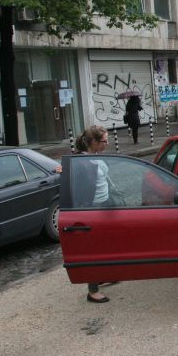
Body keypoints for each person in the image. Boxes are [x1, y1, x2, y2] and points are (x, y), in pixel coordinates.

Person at [74, 125, 114, 304]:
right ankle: (93, 291)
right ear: (94, 142)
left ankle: (103, 275)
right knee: (94, 249)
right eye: (104, 141)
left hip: (104, 205)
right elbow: (78, 189)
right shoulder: (81, 162)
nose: (107, 144)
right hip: (93, 209)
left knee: (106, 244)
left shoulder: (95, 156)